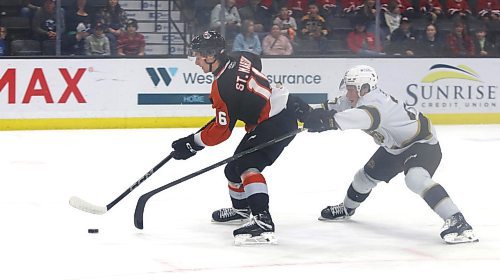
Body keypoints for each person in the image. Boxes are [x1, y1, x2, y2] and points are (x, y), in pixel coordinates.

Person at [302, 65, 478, 244]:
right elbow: (330, 106)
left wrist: (329, 121)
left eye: (351, 89)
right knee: (363, 178)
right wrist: (305, 111)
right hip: (394, 148)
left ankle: (459, 222)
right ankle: (347, 209)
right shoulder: (353, 100)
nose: (348, 94)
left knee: (415, 179)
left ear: (364, 88)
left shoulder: (376, 104)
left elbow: (360, 117)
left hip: (422, 144)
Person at [171, 31, 301, 245]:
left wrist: (193, 144)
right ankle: (241, 210)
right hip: (275, 113)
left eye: (198, 55)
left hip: (276, 120)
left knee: (246, 164)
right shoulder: (238, 57)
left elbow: (222, 132)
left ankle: (262, 220)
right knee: (232, 169)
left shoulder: (223, 87)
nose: (196, 61)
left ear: (211, 55)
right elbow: (255, 61)